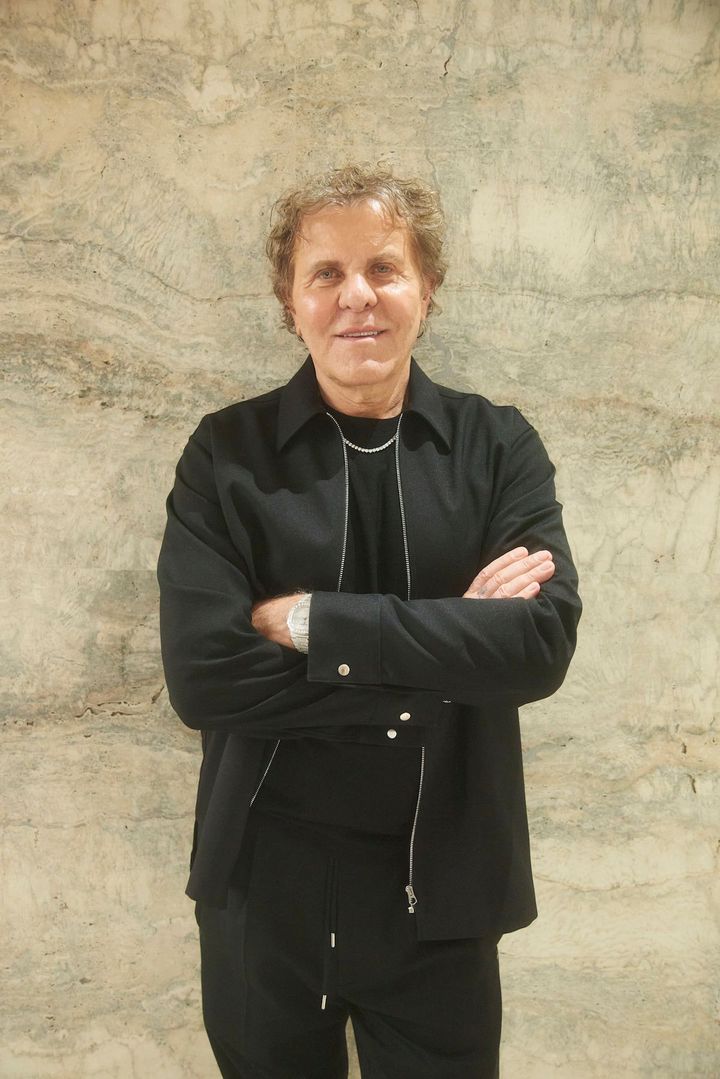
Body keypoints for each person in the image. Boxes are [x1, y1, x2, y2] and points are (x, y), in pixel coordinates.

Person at [156, 163, 582, 1079]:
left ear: (427, 288)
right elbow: (203, 675)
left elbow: (538, 645)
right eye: (327, 273)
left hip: (444, 892)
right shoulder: (225, 456)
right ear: (291, 300)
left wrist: (313, 622)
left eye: (384, 268)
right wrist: (446, 650)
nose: (357, 296)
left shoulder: (497, 447)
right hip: (263, 890)